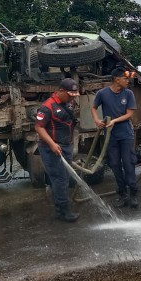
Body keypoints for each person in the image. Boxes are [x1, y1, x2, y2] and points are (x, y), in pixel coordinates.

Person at [34, 78, 80, 222]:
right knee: (60, 179)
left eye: (73, 95)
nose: (71, 98)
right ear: (60, 91)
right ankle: (63, 211)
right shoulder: (47, 107)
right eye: (69, 95)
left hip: (65, 146)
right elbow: (39, 127)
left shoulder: (69, 103)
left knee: (64, 178)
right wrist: (52, 144)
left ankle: (60, 207)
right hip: (51, 148)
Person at [91, 67, 138, 208]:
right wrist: (97, 121)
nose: (127, 81)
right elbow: (93, 107)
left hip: (125, 134)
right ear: (117, 79)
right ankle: (122, 194)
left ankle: (133, 194)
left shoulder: (128, 93)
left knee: (128, 163)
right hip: (110, 136)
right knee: (115, 164)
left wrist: (114, 121)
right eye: (125, 78)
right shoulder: (102, 93)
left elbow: (130, 113)